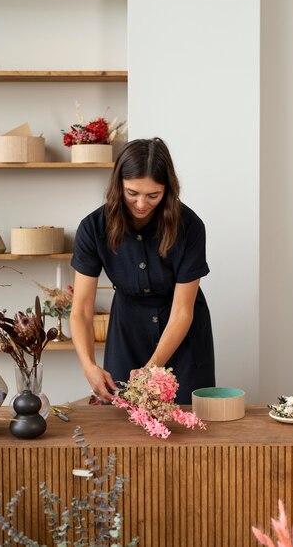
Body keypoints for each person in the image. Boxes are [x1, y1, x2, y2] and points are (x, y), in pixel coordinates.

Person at [70, 137, 215, 404]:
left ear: (168, 190)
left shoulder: (190, 227)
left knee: (188, 423)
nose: (140, 204)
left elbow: (183, 310)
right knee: (122, 423)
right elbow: (80, 310)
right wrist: (88, 365)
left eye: (153, 195)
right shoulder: (93, 227)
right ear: (118, 186)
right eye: (132, 193)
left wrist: (152, 367)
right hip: (127, 331)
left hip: (182, 332)